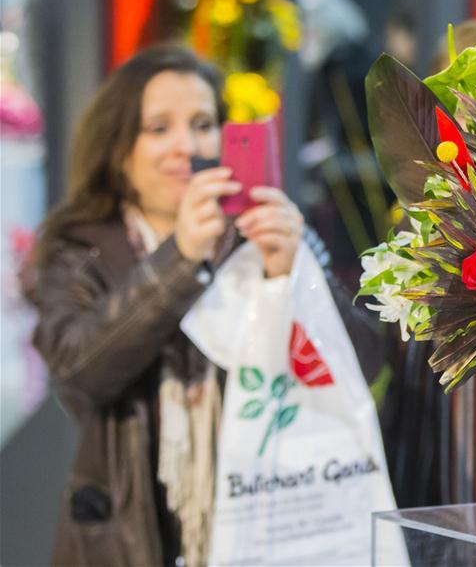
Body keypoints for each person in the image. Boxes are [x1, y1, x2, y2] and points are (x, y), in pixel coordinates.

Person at [25, 44, 303, 566]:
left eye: (202, 124)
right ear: (119, 147)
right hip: (125, 537)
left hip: (263, 522)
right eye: (158, 129)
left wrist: (292, 275)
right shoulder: (76, 248)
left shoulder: (258, 231)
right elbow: (78, 370)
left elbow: (363, 364)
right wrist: (181, 257)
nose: (186, 145)